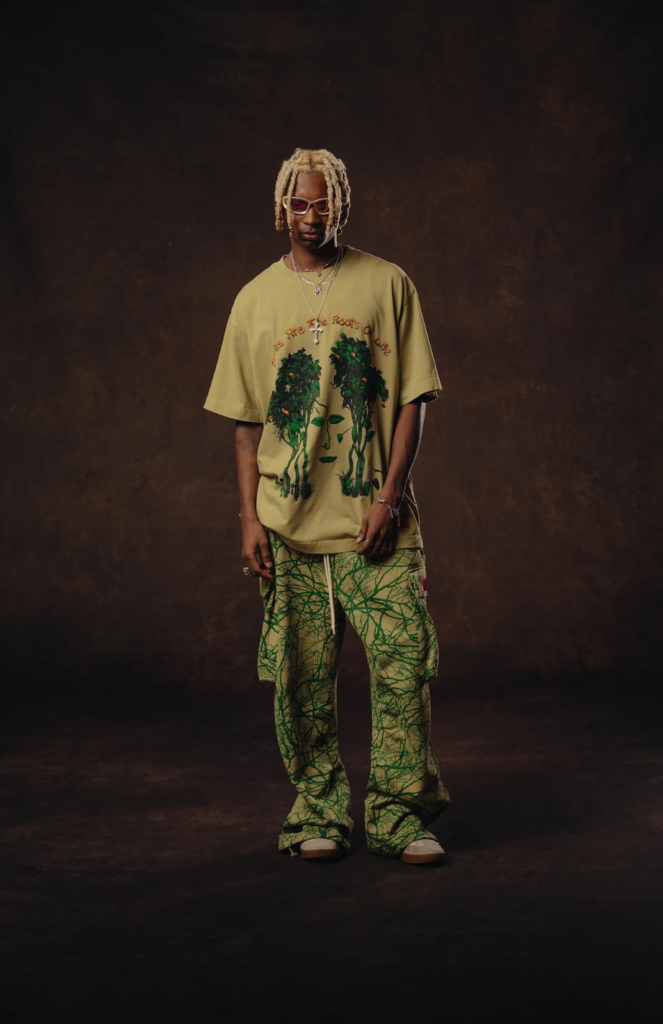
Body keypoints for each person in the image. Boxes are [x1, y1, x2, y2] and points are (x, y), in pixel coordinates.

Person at [204, 147, 450, 865]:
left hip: (378, 523)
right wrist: (249, 517)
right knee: (299, 678)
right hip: (288, 528)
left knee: (404, 667)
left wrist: (389, 494)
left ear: (342, 204)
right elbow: (247, 425)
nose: (310, 216)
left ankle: (400, 816)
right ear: (282, 207)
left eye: (323, 202)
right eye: (299, 203)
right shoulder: (253, 300)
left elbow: (412, 399)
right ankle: (317, 811)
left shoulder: (388, 283)